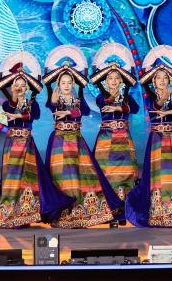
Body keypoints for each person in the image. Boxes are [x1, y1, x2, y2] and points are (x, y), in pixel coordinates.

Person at [42, 45, 117, 228]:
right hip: (59, 140)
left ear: (73, 84)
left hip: (76, 140)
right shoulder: (54, 100)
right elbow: (52, 107)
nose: (66, 86)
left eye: (69, 82)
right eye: (63, 83)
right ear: (59, 85)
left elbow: (81, 111)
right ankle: (63, 216)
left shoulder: (78, 100)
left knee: (81, 175)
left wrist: (69, 111)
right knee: (61, 177)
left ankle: (82, 214)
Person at [0, 51, 68, 227]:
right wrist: (14, 102)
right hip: (12, 145)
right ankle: (9, 214)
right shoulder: (7, 104)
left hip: (27, 145)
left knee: (28, 180)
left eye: (22, 85)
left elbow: (32, 115)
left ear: (27, 87)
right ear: (12, 87)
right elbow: (10, 109)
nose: (19, 87)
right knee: (11, 180)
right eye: (16, 85)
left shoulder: (32, 104)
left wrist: (18, 116)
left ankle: (27, 213)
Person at [126, 45, 172, 227]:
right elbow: (155, 107)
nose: (162, 80)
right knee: (158, 174)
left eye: (165, 77)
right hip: (157, 140)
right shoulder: (150, 98)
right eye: (158, 78)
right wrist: (166, 97)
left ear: (169, 80)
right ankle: (158, 210)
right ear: (153, 81)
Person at [89, 43, 140, 225]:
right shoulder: (101, 97)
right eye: (110, 78)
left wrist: (120, 105)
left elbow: (134, 108)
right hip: (106, 139)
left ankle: (124, 210)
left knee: (126, 174)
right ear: (105, 80)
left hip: (123, 139)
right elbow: (105, 102)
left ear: (120, 81)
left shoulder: (127, 97)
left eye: (116, 78)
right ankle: (110, 211)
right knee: (106, 174)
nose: (113, 81)